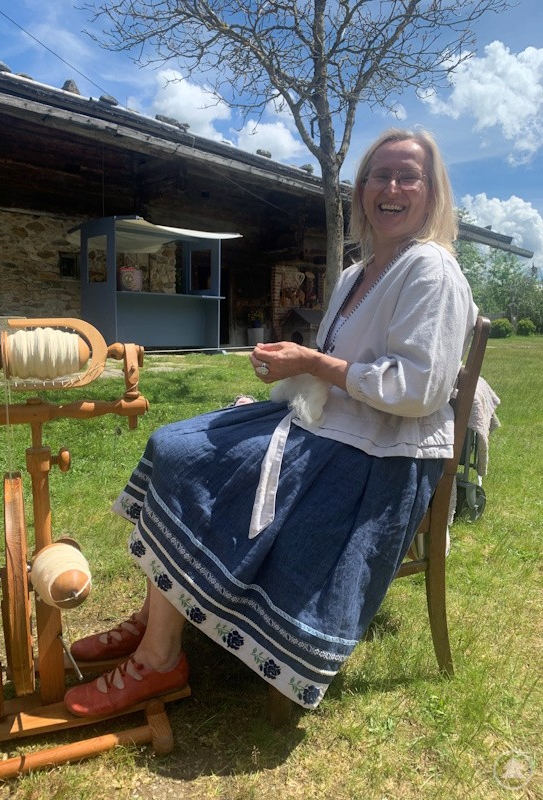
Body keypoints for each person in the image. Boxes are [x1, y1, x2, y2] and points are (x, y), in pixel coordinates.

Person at [64, 128, 478, 716]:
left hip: (380, 457)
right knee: (178, 444)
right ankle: (163, 608)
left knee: (192, 461)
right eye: (378, 176)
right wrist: (298, 369)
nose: (391, 187)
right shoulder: (361, 271)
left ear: (432, 193)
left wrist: (309, 361)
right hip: (331, 425)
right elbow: (344, 365)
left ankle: (157, 661)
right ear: (360, 192)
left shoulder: (431, 272)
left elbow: (416, 390)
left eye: (407, 176)